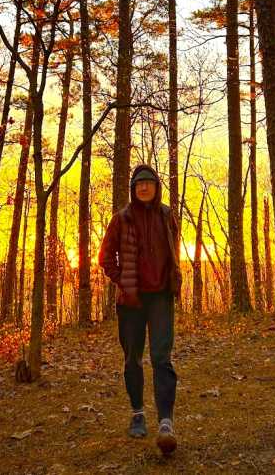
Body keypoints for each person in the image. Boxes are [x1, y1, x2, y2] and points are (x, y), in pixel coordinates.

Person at [99, 164, 182, 455]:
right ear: (133, 189)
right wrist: (125, 280)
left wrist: (173, 279)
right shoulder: (121, 219)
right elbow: (105, 257)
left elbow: (174, 248)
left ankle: (166, 423)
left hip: (161, 298)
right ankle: (137, 413)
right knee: (132, 358)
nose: (144, 188)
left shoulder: (167, 215)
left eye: (148, 183)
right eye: (139, 184)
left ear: (156, 187)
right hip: (131, 301)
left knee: (162, 358)